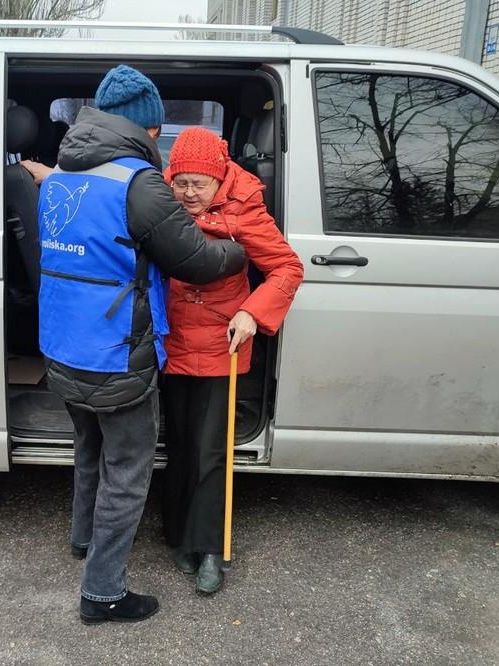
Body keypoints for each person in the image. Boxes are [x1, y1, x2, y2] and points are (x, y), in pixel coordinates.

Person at [36, 66, 247, 624]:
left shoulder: (59, 175)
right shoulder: (136, 182)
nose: (158, 142)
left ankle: (83, 540)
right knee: (126, 473)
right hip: (116, 353)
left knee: (89, 449)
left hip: (62, 345)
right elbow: (196, 262)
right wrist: (240, 249)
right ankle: (103, 593)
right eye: (157, 132)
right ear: (146, 128)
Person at [160, 127, 304, 594]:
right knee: (179, 444)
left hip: (222, 344)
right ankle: (178, 534)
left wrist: (251, 312)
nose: (188, 192)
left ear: (220, 176)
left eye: (198, 184)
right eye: (181, 182)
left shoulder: (244, 208)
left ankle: (209, 550)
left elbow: (287, 267)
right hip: (170, 342)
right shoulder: (160, 202)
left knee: (210, 450)